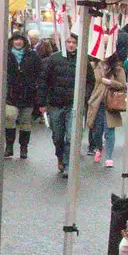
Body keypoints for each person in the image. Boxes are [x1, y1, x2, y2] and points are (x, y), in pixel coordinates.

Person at [39, 32, 78, 175]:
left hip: (73, 105)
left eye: (73, 42)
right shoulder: (53, 59)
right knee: (57, 136)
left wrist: (83, 98)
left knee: (71, 136)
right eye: (68, 42)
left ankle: (68, 164)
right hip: (55, 104)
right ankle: (60, 157)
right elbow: (43, 80)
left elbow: (89, 80)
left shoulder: (81, 59)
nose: (71, 45)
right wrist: (42, 102)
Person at [1, 31, 41, 159]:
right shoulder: (6, 55)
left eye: (20, 40)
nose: (18, 42)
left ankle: (24, 148)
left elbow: (40, 73)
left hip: (28, 94)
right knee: (9, 117)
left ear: (25, 41)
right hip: (11, 94)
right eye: (15, 39)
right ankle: (9, 147)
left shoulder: (33, 55)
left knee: (25, 121)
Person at [85, 54, 126, 167]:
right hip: (96, 103)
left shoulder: (117, 69)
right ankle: (99, 147)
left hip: (111, 104)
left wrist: (109, 82)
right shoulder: (93, 66)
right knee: (96, 131)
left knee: (109, 131)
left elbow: (123, 85)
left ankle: (109, 157)